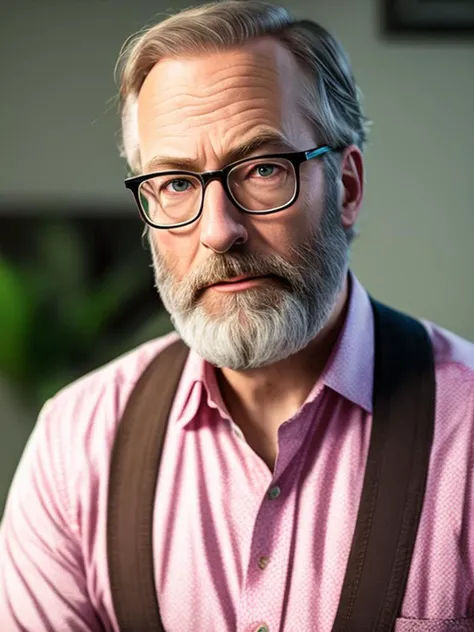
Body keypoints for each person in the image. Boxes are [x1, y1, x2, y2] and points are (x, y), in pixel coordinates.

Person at [1, 1, 473, 630]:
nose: (219, 231)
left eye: (263, 169)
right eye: (174, 183)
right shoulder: (74, 444)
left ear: (348, 188)